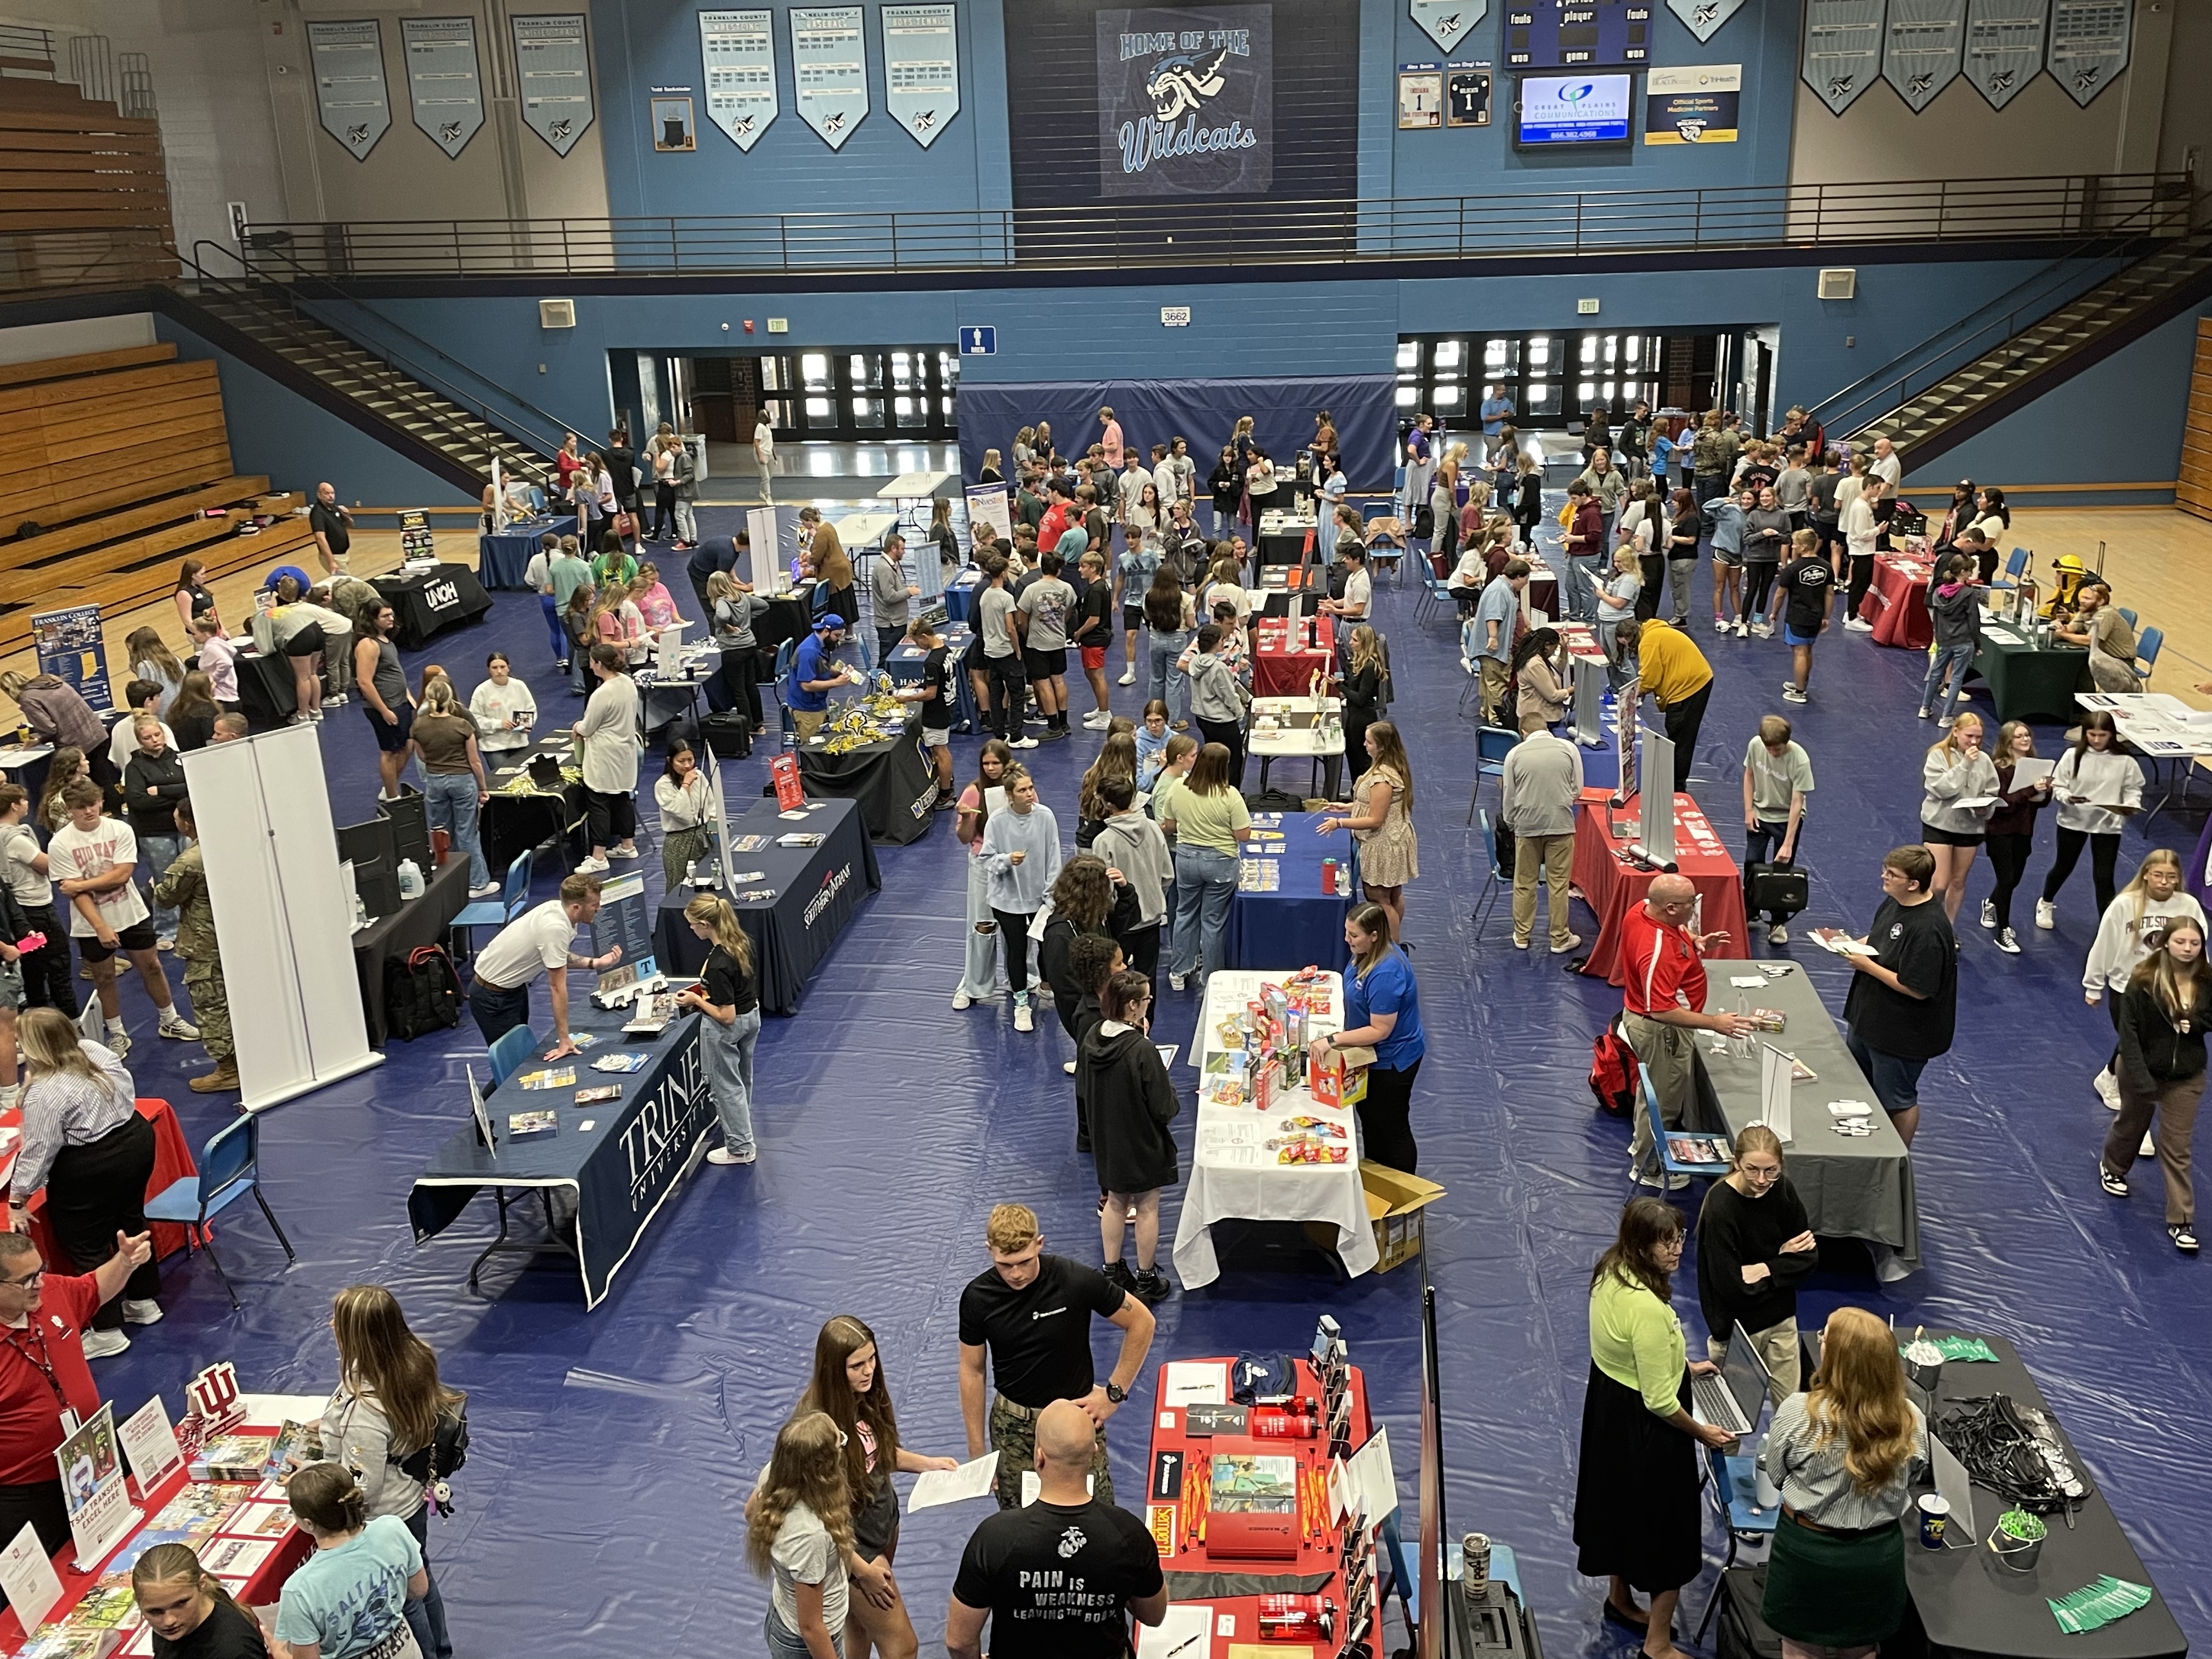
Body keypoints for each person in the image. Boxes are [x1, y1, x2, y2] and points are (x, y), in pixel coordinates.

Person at [1572, 1197, 1736, 1659]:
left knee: (1620, 1512)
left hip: (1610, 1415)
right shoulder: (1647, 1309)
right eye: (1665, 1242)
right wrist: (1702, 1433)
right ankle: (1658, 1645)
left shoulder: (1610, 1271)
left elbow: (1630, 1352)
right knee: (1671, 1537)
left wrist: (1681, 1365)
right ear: (1641, 1246)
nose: (1676, 1249)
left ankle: (1620, 1600)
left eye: (1679, 1238)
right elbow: (1660, 1401)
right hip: (1649, 1431)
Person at [957, 1203, 1156, 1510]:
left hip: (1076, 1423)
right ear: (989, 1250)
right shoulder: (977, 1298)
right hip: (1015, 1429)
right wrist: (977, 1449)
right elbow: (973, 1370)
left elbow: (1142, 1322)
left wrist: (1114, 1394)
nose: (1017, 1274)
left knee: (1096, 1516)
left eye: (1025, 1261)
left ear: (1040, 1244)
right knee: (1022, 1525)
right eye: (1005, 1265)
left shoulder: (1074, 1280)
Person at [1758, 1308, 1925, 1659]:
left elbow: (1776, 1474)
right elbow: (1916, 1475)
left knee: (1800, 1651)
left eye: (1824, 1336)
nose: (1819, 1341)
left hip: (1806, 1556)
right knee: (1863, 1650)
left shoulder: (1797, 1412)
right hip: (1876, 1559)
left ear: (1835, 1358)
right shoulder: (1912, 1418)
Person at [303, 1286, 459, 1659]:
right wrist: (331, 1424)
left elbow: (362, 1488)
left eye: (337, 1322)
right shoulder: (411, 1358)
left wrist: (313, 1474)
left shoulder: (367, 1414)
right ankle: (441, 1648)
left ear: (356, 1336)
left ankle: (429, 1654)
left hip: (387, 1514)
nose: (329, 1326)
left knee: (405, 1600)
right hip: (412, 1498)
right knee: (422, 1576)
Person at [946, 1397, 1166, 1659]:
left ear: (1038, 1457)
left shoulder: (994, 1537)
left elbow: (959, 1642)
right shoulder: (1128, 1533)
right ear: (1094, 1454)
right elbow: (1153, 1615)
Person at [797, 1318, 960, 1659]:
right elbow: (816, 1516)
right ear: (832, 1369)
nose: (868, 1371)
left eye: (872, 1359)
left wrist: (926, 1464)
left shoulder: (863, 1396)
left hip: (881, 1526)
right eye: (857, 1365)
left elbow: (874, 1452)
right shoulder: (817, 1427)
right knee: (902, 1647)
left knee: (859, 1626)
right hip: (855, 1548)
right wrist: (861, 1569)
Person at [9, 1006, 160, 1355]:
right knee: (130, 1220)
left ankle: (106, 1330)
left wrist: (18, 1200)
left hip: (92, 1165)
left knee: (86, 1242)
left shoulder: (46, 1092)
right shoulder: (95, 1051)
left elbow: (39, 1149)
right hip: (135, 1141)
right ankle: (142, 1301)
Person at [0, 1224, 154, 1551]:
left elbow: (94, 1288)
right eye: (26, 1279)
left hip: (92, 1456)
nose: (38, 1283)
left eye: (40, 1270)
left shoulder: (51, 1292)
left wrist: (125, 1262)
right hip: (27, 1490)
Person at [1623, 874, 1752, 1187]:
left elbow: (1672, 932)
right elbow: (1662, 1009)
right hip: (1661, 1031)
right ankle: (1650, 1168)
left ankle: (1641, 1144)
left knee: (1652, 1089)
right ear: (1669, 907)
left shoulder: (1642, 908)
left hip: (1647, 1022)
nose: (1695, 906)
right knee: (1665, 1101)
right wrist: (1714, 1023)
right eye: (1689, 903)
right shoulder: (1657, 952)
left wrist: (1694, 942)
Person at [48, 780, 194, 1054]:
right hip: (90, 923)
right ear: (70, 810)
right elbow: (80, 894)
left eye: (92, 805)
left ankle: (170, 1019)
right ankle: (117, 1034)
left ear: (101, 802)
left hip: (131, 913)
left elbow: (122, 875)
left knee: (152, 967)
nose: (89, 811)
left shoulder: (120, 829)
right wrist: (101, 926)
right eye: (81, 808)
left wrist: (80, 884)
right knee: (104, 978)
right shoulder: (61, 844)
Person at [1842, 847, 1957, 1175]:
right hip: (1870, 1018)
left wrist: (1866, 965)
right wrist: (1853, 945)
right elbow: (1879, 939)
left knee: (1897, 1098)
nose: (1884, 877)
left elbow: (1918, 988)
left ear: (1913, 884)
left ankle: (1895, 1160)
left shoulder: (1930, 930)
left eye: (1892, 875)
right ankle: (1864, 1146)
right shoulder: (1895, 902)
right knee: (1860, 1084)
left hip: (1902, 1033)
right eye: (1885, 869)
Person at [2102, 915, 2207, 1252]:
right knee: (2132, 1126)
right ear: (2166, 943)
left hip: (2185, 1077)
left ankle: (2182, 1221)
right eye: (2181, 942)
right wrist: (2141, 1078)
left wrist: (2198, 1021)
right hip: (2140, 1070)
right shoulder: (2143, 981)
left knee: (2177, 1148)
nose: (2188, 949)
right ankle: (2114, 1166)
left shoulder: (2207, 981)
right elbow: (2128, 1035)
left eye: (2195, 943)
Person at [1694, 1125, 1813, 1401]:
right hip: (1737, 1332)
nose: (1762, 1179)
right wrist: (1783, 1265)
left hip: (1782, 1321)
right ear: (1736, 1163)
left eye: (1771, 1170)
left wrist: (1765, 1268)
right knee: (1731, 1421)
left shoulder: (1783, 1189)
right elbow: (1733, 1289)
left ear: (1780, 1165)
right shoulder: (1721, 1207)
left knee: (1792, 1411)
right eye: (1752, 1170)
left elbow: (1808, 1259)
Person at [1083, 969, 1180, 1302]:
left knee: (1114, 1202)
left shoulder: (1093, 1037)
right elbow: (1164, 1107)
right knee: (1148, 1208)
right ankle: (1146, 1278)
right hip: (1141, 1140)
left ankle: (1112, 1271)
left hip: (1107, 1140)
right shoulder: (1141, 1050)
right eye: (1148, 1000)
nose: (1149, 1005)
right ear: (1134, 1005)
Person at [2082, 848, 2204, 1110]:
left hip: (2168, 988)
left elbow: (2199, 947)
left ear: (2178, 878)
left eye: (2171, 877)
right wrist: (2093, 985)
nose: (2164, 882)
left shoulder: (2188, 906)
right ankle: (2133, 1110)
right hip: (2127, 987)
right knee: (2136, 1043)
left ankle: (2110, 1077)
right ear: (2147, 874)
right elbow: (2104, 945)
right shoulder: (2125, 904)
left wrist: (2201, 983)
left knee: (2142, 1044)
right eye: (2158, 875)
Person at [1310, 902, 1427, 1174]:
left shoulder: (1387, 972)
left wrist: (1332, 1040)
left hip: (1392, 1061)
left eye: (1354, 935)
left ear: (1374, 935)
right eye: (1347, 933)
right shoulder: (1365, 952)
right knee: (1372, 1121)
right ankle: (1376, 1176)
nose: (1346, 940)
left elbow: (1381, 1030)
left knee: (1392, 1127)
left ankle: (1402, 1190)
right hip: (1369, 1055)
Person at [276, 1460, 427, 1659]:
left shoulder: (299, 1590)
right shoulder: (392, 1528)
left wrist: (279, 1652)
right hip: (404, 1650)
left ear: (307, 1524)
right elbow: (419, 1589)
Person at [466, 871, 616, 1054]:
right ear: (577, 907)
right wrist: (564, 1039)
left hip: (513, 990)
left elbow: (556, 955)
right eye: (595, 905)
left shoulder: (560, 909)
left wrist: (594, 963)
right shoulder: (555, 927)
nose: (599, 908)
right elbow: (557, 987)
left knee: (522, 1054)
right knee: (514, 1063)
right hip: (491, 997)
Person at [149, 799, 235, 1094]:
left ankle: (228, 1069)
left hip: (204, 942)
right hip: (235, 937)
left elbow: (165, 897)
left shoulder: (190, 861)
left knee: (210, 1003)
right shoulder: (231, 844)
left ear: (187, 824)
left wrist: (154, 887)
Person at [677, 892, 762, 1168]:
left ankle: (740, 1148)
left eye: (692, 924)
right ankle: (742, 1128)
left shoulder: (718, 964)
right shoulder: (742, 942)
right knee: (742, 1080)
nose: (690, 929)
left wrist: (697, 1000)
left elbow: (726, 1016)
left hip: (728, 1029)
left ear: (705, 924)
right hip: (752, 1018)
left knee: (727, 1087)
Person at [2039, 710, 2143, 924]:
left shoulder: (2124, 760)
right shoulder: (2072, 757)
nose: (2096, 740)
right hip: (2073, 821)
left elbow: (2133, 788)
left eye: (2102, 735)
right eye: (2092, 735)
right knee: (2063, 867)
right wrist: (2068, 798)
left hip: (2108, 825)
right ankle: (2046, 902)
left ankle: (2107, 924)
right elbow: (2059, 785)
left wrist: (2131, 804)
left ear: (2112, 735)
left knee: (2104, 877)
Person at [979, 765, 1061, 1033]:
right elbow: (987, 860)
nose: (1030, 794)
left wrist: (1050, 895)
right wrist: (1006, 860)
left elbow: (1054, 858)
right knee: (1016, 949)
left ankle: (1046, 985)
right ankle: (1021, 1002)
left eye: (1031, 788)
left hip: (1041, 899)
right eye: (1022, 790)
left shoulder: (1046, 817)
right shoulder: (997, 821)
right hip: (1007, 900)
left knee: (1046, 946)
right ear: (1010, 795)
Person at [1321, 723, 1418, 942]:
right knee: (1393, 894)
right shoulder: (1388, 767)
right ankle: (1393, 943)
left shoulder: (1383, 778)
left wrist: (1340, 823)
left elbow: (1375, 820)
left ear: (1382, 747)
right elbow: (1374, 805)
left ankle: (1391, 947)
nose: (1364, 745)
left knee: (1379, 898)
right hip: (1395, 838)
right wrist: (1346, 807)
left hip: (1384, 843)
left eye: (1369, 742)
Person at [1164, 743, 1250, 991]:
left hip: (1187, 860)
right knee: (1213, 920)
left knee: (1185, 912)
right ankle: (1211, 976)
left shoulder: (1178, 787)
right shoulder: (1230, 795)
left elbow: (1169, 824)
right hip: (1221, 864)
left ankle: (1179, 971)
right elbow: (1243, 834)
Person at [1500, 724, 1584, 954]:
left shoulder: (1515, 754)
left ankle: (1522, 935)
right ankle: (1559, 938)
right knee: (1558, 884)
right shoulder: (1568, 748)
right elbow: (1578, 789)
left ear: (1523, 731)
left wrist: (1512, 824)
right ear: (1547, 729)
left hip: (1527, 827)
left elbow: (1509, 795)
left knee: (1525, 882)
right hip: (1561, 826)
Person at [408, 681, 494, 895]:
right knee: (467, 833)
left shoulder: (418, 726)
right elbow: (474, 761)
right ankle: (477, 883)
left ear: (428, 700)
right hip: (462, 781)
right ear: (450, 699)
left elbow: (422, 755)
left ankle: (449, 881)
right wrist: (483, 787)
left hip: (435, 782)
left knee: (441, 833)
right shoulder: (462, 726)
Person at [1613, 620, 1711, 793]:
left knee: (1680, 736)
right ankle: (1673, 780)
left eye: (1627, 645)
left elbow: (1650, 679)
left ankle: (1676, 787)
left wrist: (1630, 697)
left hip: (1689, 687)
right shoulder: (1653, 633)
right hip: (1694, 681)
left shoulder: (1649, 641)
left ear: (1631, 637)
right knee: (1677, 732)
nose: (1629, 649)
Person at [1091, 777, 1170, 992]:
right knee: (1147, 983)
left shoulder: (1104, 841)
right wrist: (1151, 894)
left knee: (1117, 984)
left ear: (1108, 804)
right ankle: (1144, 1024)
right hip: (1152, 918)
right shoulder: (1154, 828)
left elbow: (1103, 890)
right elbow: (1167, 874)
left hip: (1121, 925)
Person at [1919, 711, 1998, 924]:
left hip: (1970, 827)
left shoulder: (1984, 760)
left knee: (1958, 881)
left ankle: (1948, 927)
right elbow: (1943, 789)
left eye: (1979, 738)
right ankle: (1929, 924)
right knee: (1939, 884)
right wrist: (1964, 765)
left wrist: (1985, 807)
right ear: (1956, 732)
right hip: (1940, 824)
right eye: (1969, 736)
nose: (1974, 742)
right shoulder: (1938, 755)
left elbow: (1992, 790)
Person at [1982, 720, 2051, 955]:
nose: (2025, 739)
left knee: (2013, 880)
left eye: (2027, 735)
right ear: (2008, 741)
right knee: (2007, 877)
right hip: (2000, 831)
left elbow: (2040, 804)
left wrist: (2045, 791)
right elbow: (2004, 805)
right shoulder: (1999, 769)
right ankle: (2004, 930)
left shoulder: (2035, 767)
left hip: (2024, 831)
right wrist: (2032, 790)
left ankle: (1991, 903)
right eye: (2019, 736)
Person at [1743, 716, 1813, 946]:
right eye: (1769, 748)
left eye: (1778, 748)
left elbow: (1797, 801)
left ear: (1787, 742)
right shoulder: (1755, 745)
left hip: (1786, 818)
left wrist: (1788, 843)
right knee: (1752, 863)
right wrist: (1749, 810)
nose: (1773, 752)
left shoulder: (1799, 760)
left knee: (1781, 871)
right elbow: (1749, 775)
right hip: (1760, 814)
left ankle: (1778, 923)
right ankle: (1751, 909)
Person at [131, 1541, 267, 1658]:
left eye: (181, 1604)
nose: (169, 1621)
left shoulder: (235, 1651)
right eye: (155, 1612)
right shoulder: (175, 1625)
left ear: (201, 1585)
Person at [572, 645, 642, 872]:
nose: (590, 665)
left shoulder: (602, 693)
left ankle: (599, 857)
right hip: (625, 751)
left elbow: (589, 726)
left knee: (599, 801)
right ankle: (628, 845)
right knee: (622, 797)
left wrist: (577, 727)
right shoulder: (627, 683)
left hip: (605, 755)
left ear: (599, 664)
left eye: (592, 662)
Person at [122, 716, 188, 950]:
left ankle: (194, 923)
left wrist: (159, 791)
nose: (154, 741)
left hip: (187, 828)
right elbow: (138, 802)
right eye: (148, 738)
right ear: (140, 741)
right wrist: (176, 799)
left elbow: (192, 786)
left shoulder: (180, 758)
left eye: (157, 735)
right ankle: (167, 930)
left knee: (193, 878)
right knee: (166, 880)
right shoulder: (135, 768)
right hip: (155, 833)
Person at [0, 784, 67, 1014]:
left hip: (21, 912)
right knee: (56, 965)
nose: (28, 804)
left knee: (32, 967)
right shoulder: (16, 840)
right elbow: (47, 866)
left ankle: (38, 1013)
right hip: (35, 911)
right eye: (24, 800)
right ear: (15, 806)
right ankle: (69, 1020)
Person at [353, 603, 415, 802]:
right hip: (385, 707)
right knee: (389, 751)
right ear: (373, 620)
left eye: (392, 614)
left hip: (399, 702)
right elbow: (364, 681)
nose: (391, 619)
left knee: (409, 744)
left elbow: (393, 671)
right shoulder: (368, 645)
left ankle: (389, 786)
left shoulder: (385, 640)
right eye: (385, 616)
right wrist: (384, 710)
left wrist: (408, 696)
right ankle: (392, 797)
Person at [0, 672, 109, 783]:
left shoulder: (27, 698)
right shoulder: (52, 681)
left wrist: (39, 741)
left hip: (77, 746)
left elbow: (49, 729)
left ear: (8, 690)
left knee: (85, 785)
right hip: (98, 733)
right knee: (105, 779)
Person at [1017, 548, 1076, 741]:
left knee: (1043, 684)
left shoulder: (1031, 590)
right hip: (1058, 641)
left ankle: (1053, 726)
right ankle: (1064, 722)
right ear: (1058, 569)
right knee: (1058, 680)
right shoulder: (1068, 588)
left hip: (1038, 643)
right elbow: (1068, 613)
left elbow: (1021, 620)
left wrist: (1028, 634)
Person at [1919, 555, 1983, 723]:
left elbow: (1937, 620)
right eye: (1970, 571)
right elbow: (1973, 621)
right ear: (1962, 572)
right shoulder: (1968, 594)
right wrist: (1977, 644)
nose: (1971, 574)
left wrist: (1939, 638)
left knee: (1936, 674)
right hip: (1963, 641)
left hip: (1944, 640)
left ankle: (1925, 708)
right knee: (1956, 679)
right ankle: (1946, 716)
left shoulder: (1938, 593)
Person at [1186, 624, 1250, 785]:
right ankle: (1231, 794)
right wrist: (1240, 714)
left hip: (1202, 719)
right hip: (1222, 722)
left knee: (1213, 757)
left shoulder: (1194, 663)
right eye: (1222, 639)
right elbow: (1229, 696)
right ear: (1215, 643)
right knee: (1234, 759)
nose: (1224, 642)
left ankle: (1213, 789)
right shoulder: (1219, 668)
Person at [1471, 559, 1528, 723]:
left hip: (1496, 648)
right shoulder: (1499, 591)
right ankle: (1497, 720)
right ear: (1518, 577)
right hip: (1494, 650)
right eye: (1526, 579)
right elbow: (1493, 616)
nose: (1526, 584)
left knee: (1489, 683)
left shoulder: (1504, 588)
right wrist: (1494, 638)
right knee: (1498, 685)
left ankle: (1486, 712)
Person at [654, 740, 714, 893]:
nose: (687, 766)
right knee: (679, 888)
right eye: (681, 761)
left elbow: (711, 805)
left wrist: (715, 830)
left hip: (704, 836)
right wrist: (686, 785)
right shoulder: (663, 785)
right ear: (670, 761)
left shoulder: (699, 776)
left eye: (690, 760)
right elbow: (683, 814)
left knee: (708, 883)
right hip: (679, 843)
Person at [467, 652, 537, 760]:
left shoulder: (519, 686)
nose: (499, 671)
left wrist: (525, 726)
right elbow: (475, 719)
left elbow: (531, 709)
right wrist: (498, 724)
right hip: (493, 747)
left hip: (519, 743)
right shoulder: (481, 691)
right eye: (495, 668)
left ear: (508, 668)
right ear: (489, 670)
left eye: (502, 667)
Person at [1839, 473, 1884, 631]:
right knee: (1860, 584)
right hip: (1861, 551)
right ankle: (1852, 617)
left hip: (1864, 550)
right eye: (1878, 488)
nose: (1879, 491)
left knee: (1862, 583)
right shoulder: (1861, 508)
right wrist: (1878, 530)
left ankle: (1851, 613)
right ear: (1870, 487)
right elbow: (1860, 534)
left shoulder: (1863, 505)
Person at [1511, 628, 1569, 736]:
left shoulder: (1536, 657)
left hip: (1539, 715)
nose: (1553, 653)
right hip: (1538, 719)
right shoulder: (1535, 664)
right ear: (1547, 645)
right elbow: (1553, 696)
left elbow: (1557, 671)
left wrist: (1564, 650)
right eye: (1555, 648)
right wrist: (1572, 690)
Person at [167, 672, 219, 753]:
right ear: (204, 689)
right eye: (212, 683)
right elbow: (211, 741)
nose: (216, 685)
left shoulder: (177, 708)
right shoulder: (207, 711)